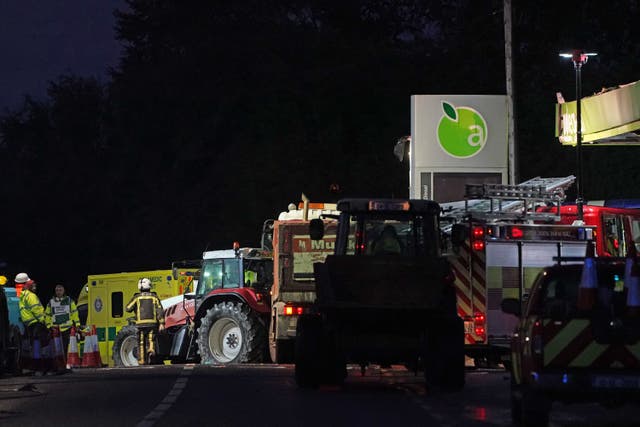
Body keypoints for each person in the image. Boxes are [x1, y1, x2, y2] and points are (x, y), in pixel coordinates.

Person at [125, 278, 165, 365]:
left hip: (140, 324)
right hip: (152, 324)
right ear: (150, 286)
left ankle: (142, 361)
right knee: (151, 339)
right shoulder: (154, 297)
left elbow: (127, 308)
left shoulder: (137, 298)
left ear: (140, 287)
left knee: (141, 342)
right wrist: (161, 323)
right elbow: (160, 310)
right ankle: (151, 350)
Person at [16, 273, 48, 375]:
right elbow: (37, 310)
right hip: (36, 324)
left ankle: (37, 367)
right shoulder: (30, 296)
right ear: (26, 284)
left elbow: (33, 310)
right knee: (38, 346)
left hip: (32, 325)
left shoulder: (23, 296)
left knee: (35, 346)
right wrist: (45, 322)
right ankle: (40, 367)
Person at [45, 284, 80, 358]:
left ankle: (65, 363)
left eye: (60, 290)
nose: (58, 292)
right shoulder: (51, 302)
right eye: (57, 290)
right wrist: (48, 326)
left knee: (65, 347)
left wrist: (77, 324)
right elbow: (47, 315)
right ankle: (58, 364)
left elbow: (75, 313)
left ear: (64, 291)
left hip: (67, 328)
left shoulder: (69, 300)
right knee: (56, 349)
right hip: (55, 329)